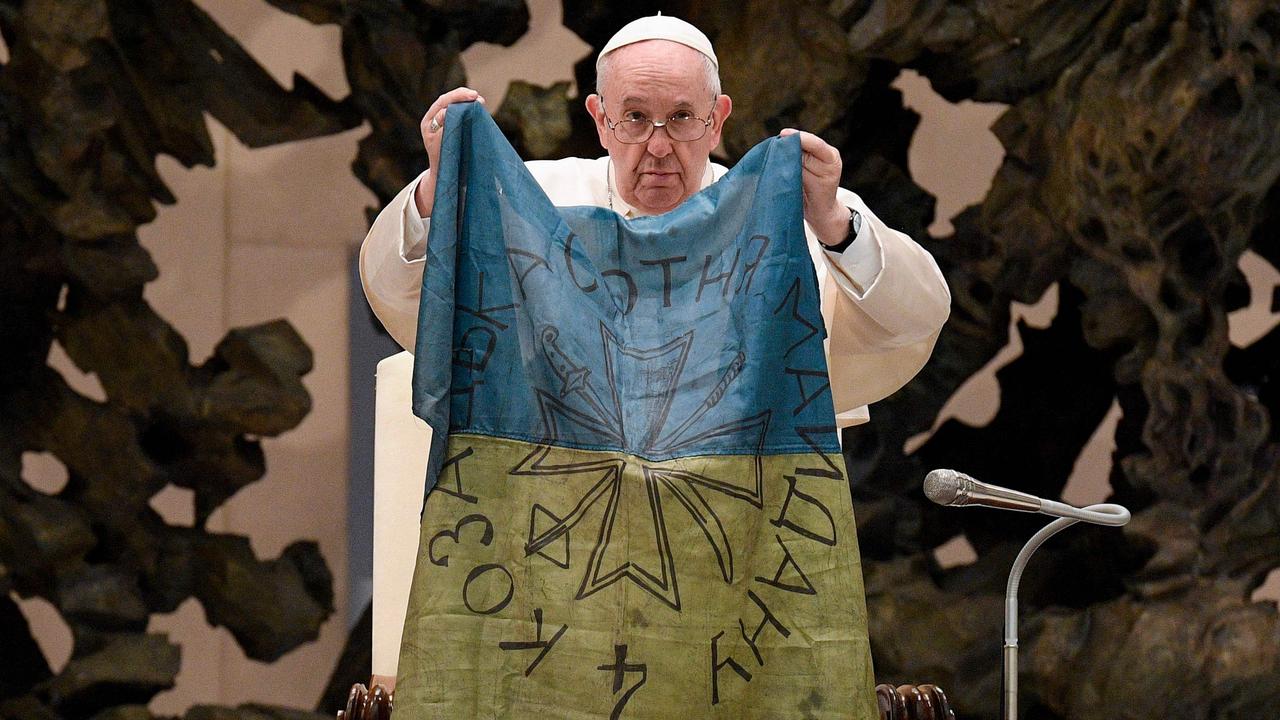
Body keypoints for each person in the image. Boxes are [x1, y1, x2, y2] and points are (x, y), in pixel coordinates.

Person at [359, 15, 950, 718]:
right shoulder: (529, 203)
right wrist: (438, 189)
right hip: (546, 579)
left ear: (719, 118)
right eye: (635, 119)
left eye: (681, 119)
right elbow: (399, 290)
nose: (659, 146)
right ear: (599, 118)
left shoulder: (778, 218)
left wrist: (834, 221)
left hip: (733, 567)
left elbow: (918, 314)